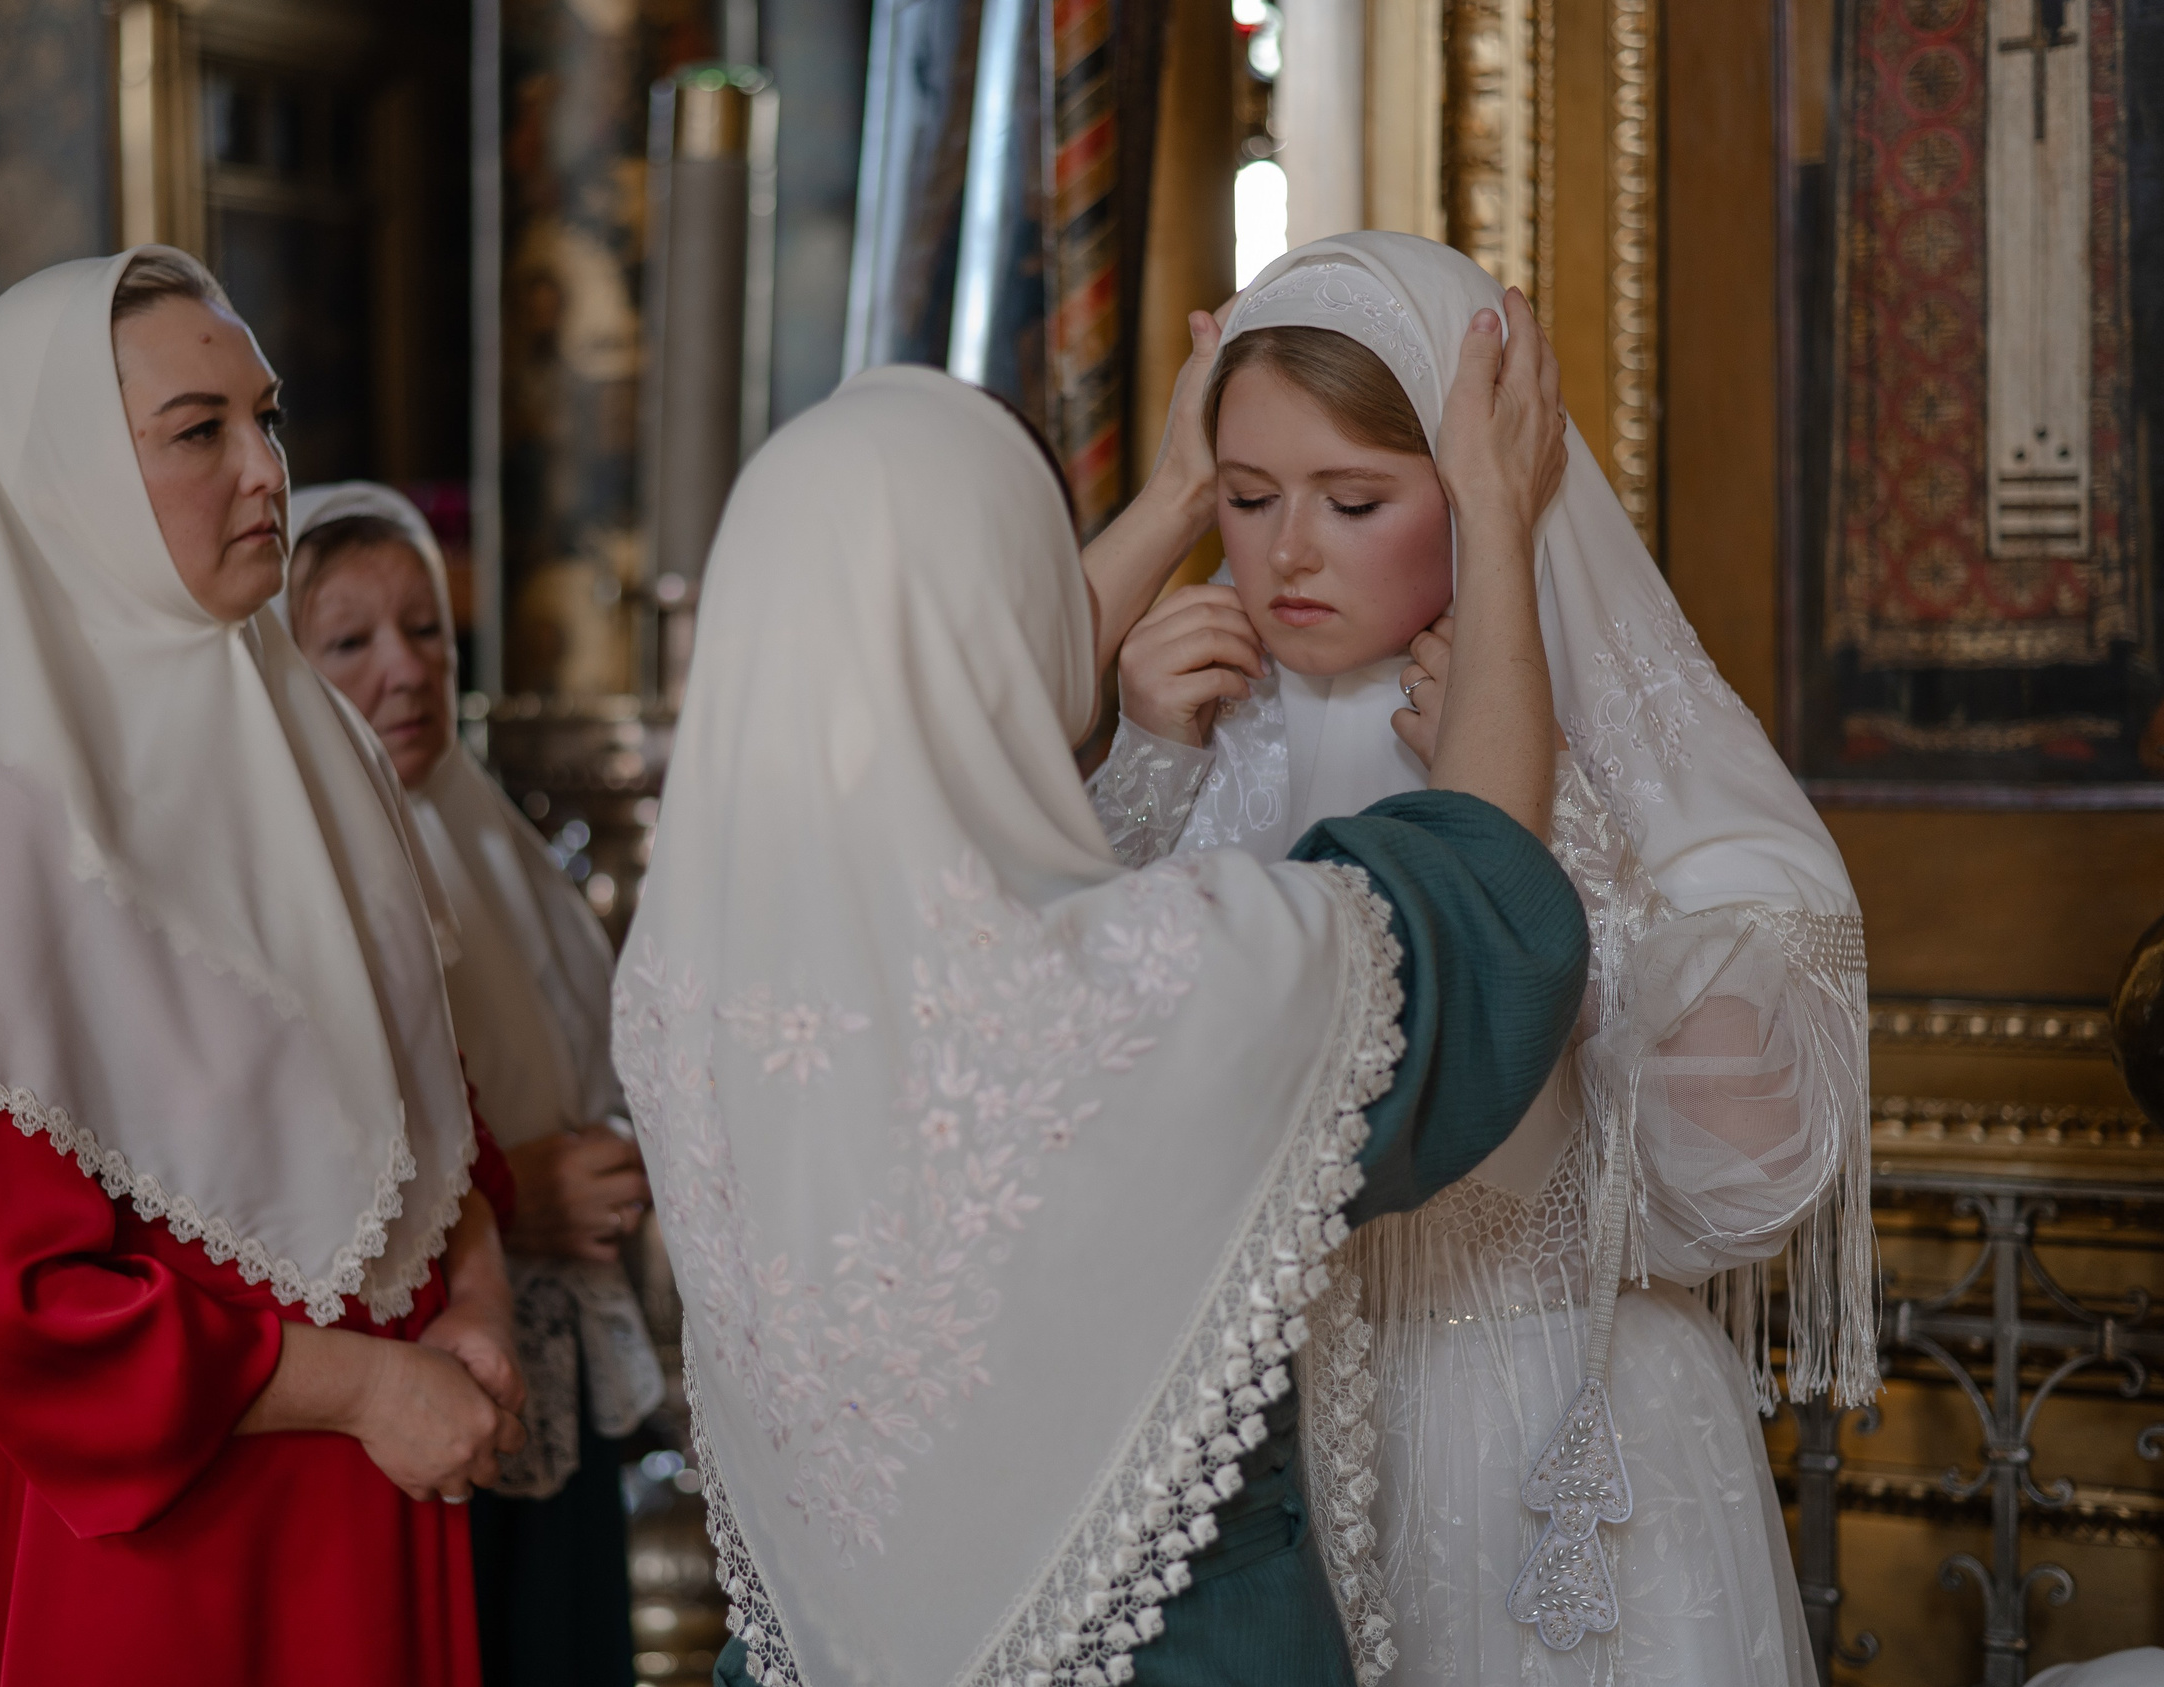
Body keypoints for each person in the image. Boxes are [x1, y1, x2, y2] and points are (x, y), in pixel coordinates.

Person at [616, 284, 1591, 1687]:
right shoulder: (1149, 980)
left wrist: (1185, 488)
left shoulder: (681, 997)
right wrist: (1492, 511)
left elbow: (944, 685)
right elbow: (1487, 902)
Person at [1084, 233, 1872, 1686]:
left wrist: (1550, 807)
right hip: (1243, 1458)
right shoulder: (1189, 731)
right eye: (1247, 497)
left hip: (1537, 1422)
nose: (1288, 550)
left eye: (1357, 498)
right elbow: (1052, 1078)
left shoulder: (1619, 762)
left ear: (1487, 490)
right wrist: (1138, 756)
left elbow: (1733, 1159)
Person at [0, 248, 527, 1686]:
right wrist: (372, 1383)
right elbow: (5, 1293)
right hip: (163, 1544)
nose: (265, 470)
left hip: (385, 1485)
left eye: (267, 419)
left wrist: (479, 1302)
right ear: (58, 476)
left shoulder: (310, 745)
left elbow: (428, 1113)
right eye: (200, 431)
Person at [283, 482, 664, 1687]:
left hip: (550, 1333)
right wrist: (512, 1197)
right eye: (349, 642)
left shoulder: (484, 826)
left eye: (427, 629)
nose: (405, 668)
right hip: (431, 1364)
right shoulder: (302, 863)